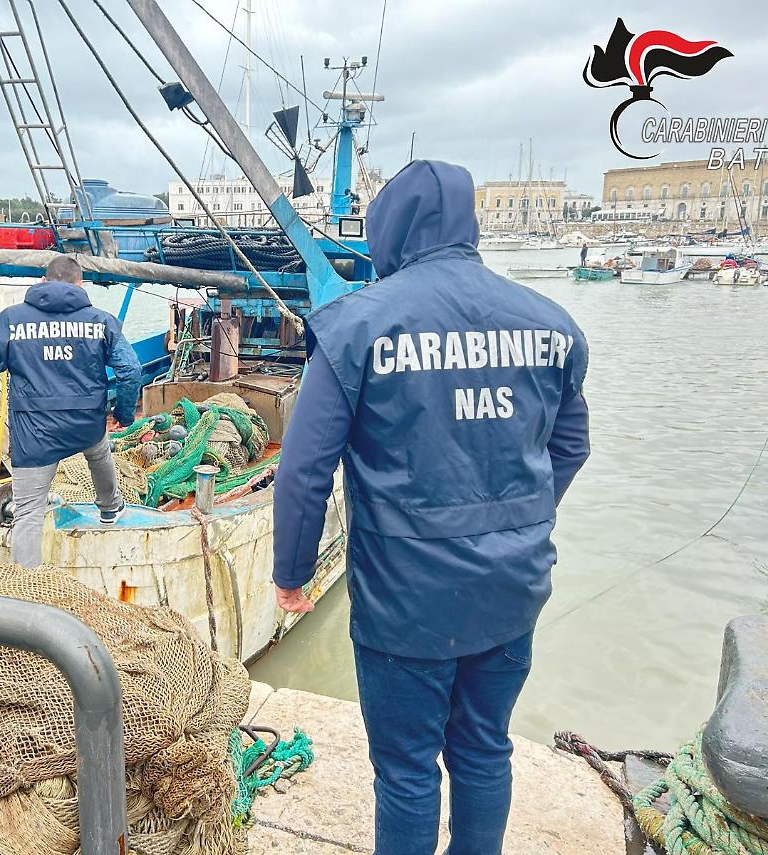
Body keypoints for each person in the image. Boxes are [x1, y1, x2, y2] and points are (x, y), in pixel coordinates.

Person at [272, 160, 590, 855]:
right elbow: (571, 446)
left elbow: (303, 468)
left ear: (390, 230)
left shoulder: (354, 328)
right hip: (513, 590)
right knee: (483, 747)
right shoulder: (552, 326)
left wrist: (291, 571)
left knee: (408, 769)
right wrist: (517, 523)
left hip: (403, 605)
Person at [0, 254, 142, 566]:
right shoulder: (100, 321)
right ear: (80, 284)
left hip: (34, 433)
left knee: (29, 513)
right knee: (99, 451)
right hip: (85, 422)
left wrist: (13, 358)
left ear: (43, 282)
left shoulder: (11, 320)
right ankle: (109, 508)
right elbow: (130, 370)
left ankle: (28, 591)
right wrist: (124, 414)